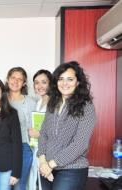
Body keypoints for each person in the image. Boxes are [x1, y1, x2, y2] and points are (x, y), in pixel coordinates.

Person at [37, 61, 96, 190]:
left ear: (78, 82)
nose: (65, 83)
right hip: (46, 168)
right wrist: (42, 162)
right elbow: (43, 134)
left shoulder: (86, 106)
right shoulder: (53, 103)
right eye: (61, 79)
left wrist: (51, 164)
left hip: (72, 169)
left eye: (70, 79)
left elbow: (80, 143)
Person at [5, 67, 36, 190]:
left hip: (24, 147)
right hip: (3, 148)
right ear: (8, 79)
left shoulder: (31, 102)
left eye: (20, 79)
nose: (16, 81)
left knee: (19, 186)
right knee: (4, 185)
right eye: (13, 78)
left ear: (24, 83)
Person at [28, 69, 53, 190]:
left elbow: (60, 130)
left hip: (50, 154)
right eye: (36, 83)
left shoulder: (56, 103)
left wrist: (40, 134)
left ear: (51, 83)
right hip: (37, 149)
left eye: (44, 82)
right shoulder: (38, 103)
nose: (40, 86)